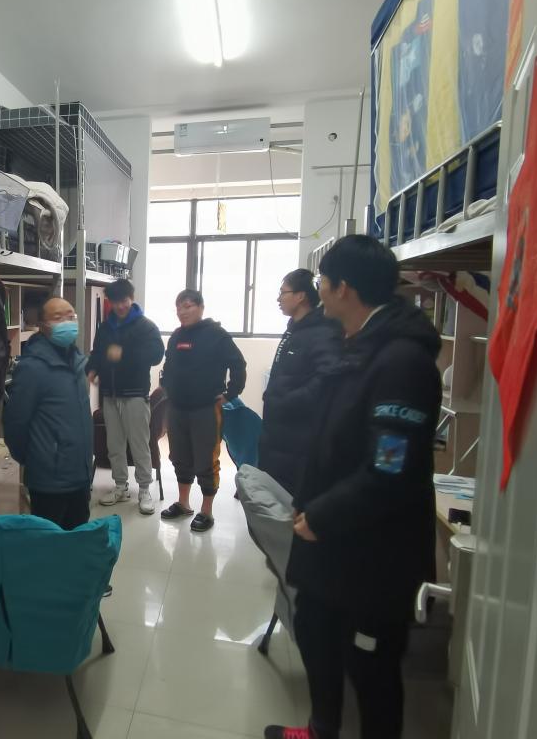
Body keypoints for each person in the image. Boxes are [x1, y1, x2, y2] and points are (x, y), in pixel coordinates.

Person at [265, 236, 441, 739]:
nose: (318, 290)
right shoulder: (357, 344)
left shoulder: (401, 362)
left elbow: (390, 470)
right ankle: (321, 729)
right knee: (316, 631)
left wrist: (323, 514)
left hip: (371, 549)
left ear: (344, 288)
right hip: (333, 540)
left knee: (370, 667)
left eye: (322, 281)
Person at [4, 296, 94, 531]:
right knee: (49, 545)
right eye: (58, 317)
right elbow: (15, 424)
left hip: (80, 475)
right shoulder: (32, 367)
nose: (67, 322)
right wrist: (38, 460)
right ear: (43, 326)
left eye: (71, 316)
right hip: (49, 482)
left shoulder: (78, 362)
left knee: (76, 542)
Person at [160, 289, 246, 532]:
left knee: (206, 460)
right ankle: (183, 503)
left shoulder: (217, 335)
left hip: (206, 409)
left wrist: (230, 393)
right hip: (178, 408)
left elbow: (238, 364)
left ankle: (206, 511)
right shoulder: (176, 336)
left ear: (200, 307)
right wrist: (166, 386)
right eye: (179, 307)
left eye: (187, 306)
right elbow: (169, 365)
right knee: (179, 457)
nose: (182, 311)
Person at [258, 269, 342, 495]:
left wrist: (286, 401)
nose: (278, 299)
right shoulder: (295, 330)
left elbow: (327, 381)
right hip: (280, 436)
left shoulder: (322, 332)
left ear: (301, 296)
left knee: (289, 502)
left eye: (283, 292)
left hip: (298, 441)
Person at [87, 279, 165, 515]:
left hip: (135, 395)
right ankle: (120, 486)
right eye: (115, 301)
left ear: (131, 298)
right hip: (110, 395)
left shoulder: (145, 326)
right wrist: (91, 370)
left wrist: (124, 353)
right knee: (114, 445)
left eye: (124, 301)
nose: (120, 306)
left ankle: (144, 490)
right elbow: (97, 353)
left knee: (139, 445)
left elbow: (156, 354)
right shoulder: (105, 327)